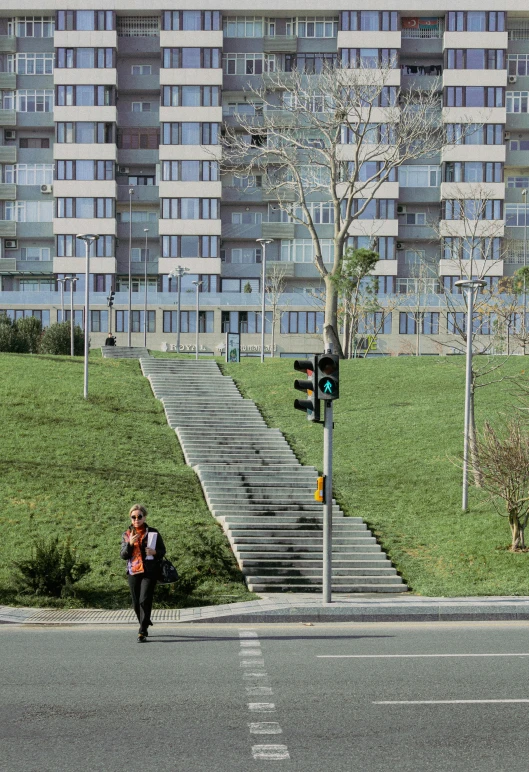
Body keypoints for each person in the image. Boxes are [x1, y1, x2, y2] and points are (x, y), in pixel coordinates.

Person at [121, 504, 166, 642]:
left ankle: (142, 630)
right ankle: (145, 620)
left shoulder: (153, 532)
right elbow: (123, 555)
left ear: (144, 517)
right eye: (133, 517)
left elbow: (162, 551)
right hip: (133, 571)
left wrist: (155, 552)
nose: (136, 519)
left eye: (139, 516)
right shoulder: (127, 534)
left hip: (149, 571)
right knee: (136, 603)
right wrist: (129, 544)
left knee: (144, 600)